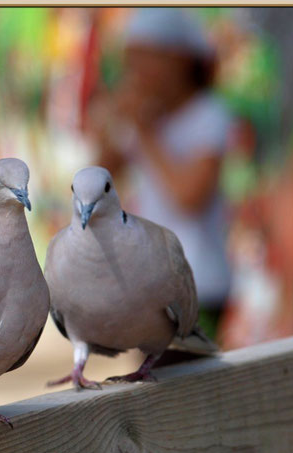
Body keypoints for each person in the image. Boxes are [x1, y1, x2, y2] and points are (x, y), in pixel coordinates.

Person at [89, 7, 233, 339]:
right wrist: (109, 126)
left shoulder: (210, 114)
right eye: (130, 61)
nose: (134, 72)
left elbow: (190, 197)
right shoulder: (148, 116)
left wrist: (145, 133)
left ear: (178, 60)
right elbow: (98, 183)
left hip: (200, 281)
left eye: (144, 59)